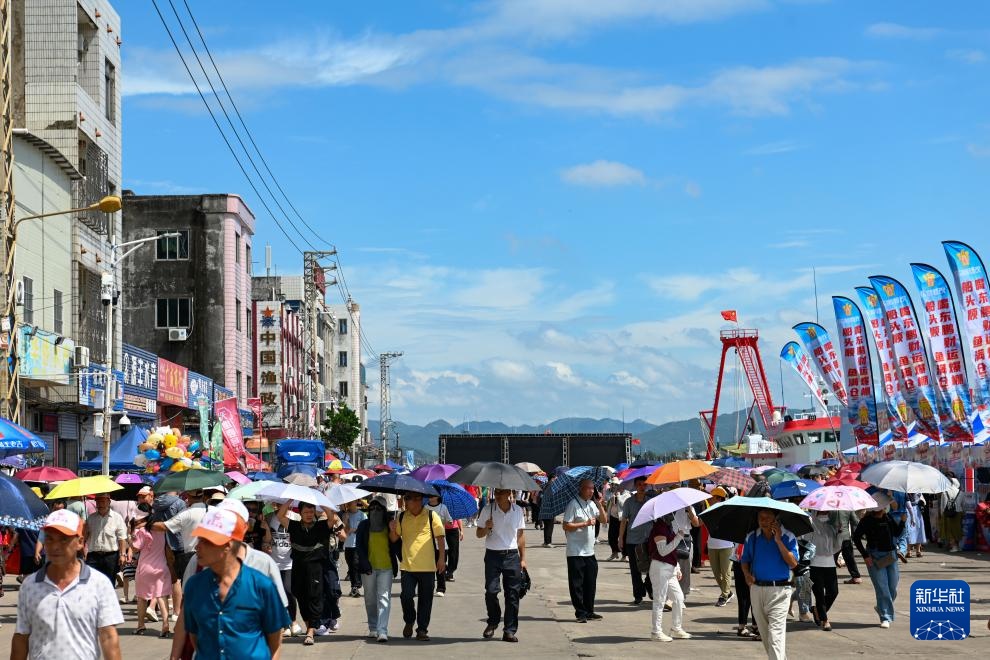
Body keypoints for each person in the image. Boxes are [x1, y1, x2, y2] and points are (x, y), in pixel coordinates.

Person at [12, 509, 123, 660]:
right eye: (49, 539)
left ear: (80, 542)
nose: (55, 546)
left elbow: (108, 637)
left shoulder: (99, 583)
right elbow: (21, 637)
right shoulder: (30, 586)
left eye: (64, 539)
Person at [182, 507, 290, 659]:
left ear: (228, 545)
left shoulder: (261, 586)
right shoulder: (194, 586)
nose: (197, 547)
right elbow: (195, 636)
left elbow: (275, 638)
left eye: (207, 541)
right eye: (199, 539)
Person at [740, 509, 799, 660]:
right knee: (766, 636)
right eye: (760, 517)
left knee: (775, 635)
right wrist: (747, 575)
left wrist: (778, 540)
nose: (763, 520)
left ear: (776, 518)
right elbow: (744, 560)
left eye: (767, 517)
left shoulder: (788, 536)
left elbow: (793, 564)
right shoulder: (752, 537)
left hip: (780, 590)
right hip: (757, 590)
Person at [277, 500, 337, 646]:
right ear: (300, 513)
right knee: (300, 596)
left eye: (311, 512)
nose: (309, 515)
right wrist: (289, 500)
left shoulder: (321, 526)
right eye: (306, 512)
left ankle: (310, 631)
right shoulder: (294, 526)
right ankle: (310, 626)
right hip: (298, 568)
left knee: (314, 598)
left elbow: (332, 519)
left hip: (315, 569)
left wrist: (321, 502)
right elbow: (280, 516)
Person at [390, 491, 446, 641]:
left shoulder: (431, 515)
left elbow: (440, 538)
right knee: (406, 596)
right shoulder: (401, 517)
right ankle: (409, 620)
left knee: (426, 600)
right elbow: (394, 538)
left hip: (427, 567)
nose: (412, 502)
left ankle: (422, 630)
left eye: (415, 499)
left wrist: (441, 559)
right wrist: (392, 528)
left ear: (421, 500)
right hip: (408, 566)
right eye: (408, 498)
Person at [477, 488, 527, 642]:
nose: (498, 495)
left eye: (502, 492)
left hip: (511, 555)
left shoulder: (518, 510)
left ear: (509, 493)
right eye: (496, 492)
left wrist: (523, 558)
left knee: (512, 594)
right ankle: (493, 621)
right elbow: (479, 534)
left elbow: (520, 536)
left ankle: (509, 630)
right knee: (491, 591)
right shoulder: (488, 509)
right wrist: (487, 527)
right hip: (492, 555)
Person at [853, 493, 905, 628]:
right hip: (875, 557)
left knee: (892, 587)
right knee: (882, 588)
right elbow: (856, 538)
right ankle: (885, 617)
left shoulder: (888, 518)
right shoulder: (866, 521)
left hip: (891, 555)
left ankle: (882, 607)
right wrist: (865, 555)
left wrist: (903, 521)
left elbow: (897, 533)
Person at [355, 496, 401, 642]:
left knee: (384, 598)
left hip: (386, 567)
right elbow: (359, 547)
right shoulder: (364, 525)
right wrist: (364, 563)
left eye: (379, 508)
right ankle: (373, 627)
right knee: (370, 599)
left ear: (384, 510)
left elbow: (397, 547)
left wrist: (394, 531)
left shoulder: (390, 524)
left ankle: (382, 630)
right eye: (372, 508)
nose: (375, 510)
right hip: (368, 568)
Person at [562, 479, 607, 623]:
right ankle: (580, 612)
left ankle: (589, 610)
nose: (591, 491)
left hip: (590, 551)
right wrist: (585, 523)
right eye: (588, 488)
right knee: (577, 585)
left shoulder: (592, 504)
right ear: (581, 489)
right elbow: (566, 526)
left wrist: (599, 504)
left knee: (590, 583)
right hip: (576, 552)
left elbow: (604, 520)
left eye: (593, 489)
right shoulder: (573, 504)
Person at [647, 513, 691, 642]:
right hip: (659, 568)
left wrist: (676, 567)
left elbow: (671, 552)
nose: (673, 515)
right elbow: (663, 551)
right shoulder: (659, 528)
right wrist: (678, 538)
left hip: (669, 568)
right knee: (659, 601)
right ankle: (656, 632)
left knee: (678, 598)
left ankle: (676, 628)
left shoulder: (668, 526)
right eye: (670, 513)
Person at [131, 506, 171, 637]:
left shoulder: (141, 531)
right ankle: (165, 624)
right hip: (161, 566)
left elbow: (136, 548)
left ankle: (141, 625)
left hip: (145, 568)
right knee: (161, 596)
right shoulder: (161, 530)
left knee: (142, 598)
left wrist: (129, 537)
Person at [618, 476, 653, 605]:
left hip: (648, 540)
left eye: (644, 485)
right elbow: (623, 521)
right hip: (632, 540)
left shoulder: (651, 502)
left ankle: (649, 586)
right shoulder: (628, 502)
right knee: (635, 570)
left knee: (652, 568)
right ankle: (638, 594)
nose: (642, 487)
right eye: (639, 485)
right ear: (635, 486)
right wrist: (620, 538)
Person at [83, 494, 128, 585]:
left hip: (110, 557)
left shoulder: (117, 517)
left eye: (103, 502)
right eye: (98, 502)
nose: (100, 504)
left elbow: (122, 538)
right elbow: (84, 537)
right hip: (93, 556)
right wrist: (85, 530)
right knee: (91, 583)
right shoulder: (91, 518)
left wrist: (123, 554)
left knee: (109, 584)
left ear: (109, 502)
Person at [808, 509, 839, 631]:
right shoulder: (810, 524)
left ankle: (817, 610)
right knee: (819, 593)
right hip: (814, 563)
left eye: (826, 511)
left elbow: (836, 546)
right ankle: (825, 620)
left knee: (833, 592)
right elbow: (805, 542)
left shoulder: (831, 526)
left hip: (830, 563)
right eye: (821, 511)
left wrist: (840, 533)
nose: (824, 513)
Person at [706, 487, 735, 607]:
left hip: (726, 545)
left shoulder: (728, 510)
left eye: (712, 497)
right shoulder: (708, 510)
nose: (710, 499)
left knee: (726, 572)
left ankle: (724, 595)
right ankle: (728, 592)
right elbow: (697, 523)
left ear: (718, 498)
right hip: (712, 545)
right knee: (717, 573)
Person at [425, 493, 453, 597]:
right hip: (427, 542)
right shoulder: (425, 508)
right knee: (429, 567)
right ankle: (428, 587)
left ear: (437, 496)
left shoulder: (443, 507)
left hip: (441, 542)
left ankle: (441, 588)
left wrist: (446, 521)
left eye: (433, 495)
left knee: (441, 566)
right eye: (429, 495)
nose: (430, 497)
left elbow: (450, 521)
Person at [830, 508, 862, 584]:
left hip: (832, 537)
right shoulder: (848, 508)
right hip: (845, 536)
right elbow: (856, 521)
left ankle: (829, 578)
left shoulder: (829, 508)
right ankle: (856, 577)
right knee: (849, 558)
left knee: (830, 558)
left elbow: (827, 522)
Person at [343, 500, 367, 597]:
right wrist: (346, 520)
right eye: (347, 502)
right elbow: (345, 531)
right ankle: (354, 586)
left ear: (356, 502)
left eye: (351, 502)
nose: (348, 504)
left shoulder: (362, 515)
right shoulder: (345, 515)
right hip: (348, 545)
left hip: (358, 545)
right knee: (351, 566)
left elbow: (364, 529)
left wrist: (354, 530)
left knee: (356, 565)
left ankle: (355, 586)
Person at [605, 478, 628, 561]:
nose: (615, 487)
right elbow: (607, 503)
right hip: (613, 517)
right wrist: (611, 499)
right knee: (611, 536)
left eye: (617, 485)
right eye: (614, 485)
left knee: (624, 537)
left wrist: (618, 497)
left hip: (622, 518)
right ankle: (614, 552)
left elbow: (623, 505)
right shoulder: (611, 492)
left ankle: (624, 555)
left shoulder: (626, 494)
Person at [938, 473, 962, 552]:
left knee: (950, 530)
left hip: (948, 513)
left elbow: (943, 505)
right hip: (958, 513)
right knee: (957, 529)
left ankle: (953, 546)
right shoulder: (960, 492)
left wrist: (942, 514)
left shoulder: (945, 492)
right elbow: (963, 504)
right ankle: (957, 546)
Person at [905, 493, 927, 558]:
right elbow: (924, 502)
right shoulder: (918, 491)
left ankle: (910, 551)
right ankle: (917, 551)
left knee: (910, 530)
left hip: (910, 509)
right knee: (917, 529)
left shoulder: (906, 491)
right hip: (915, 510)